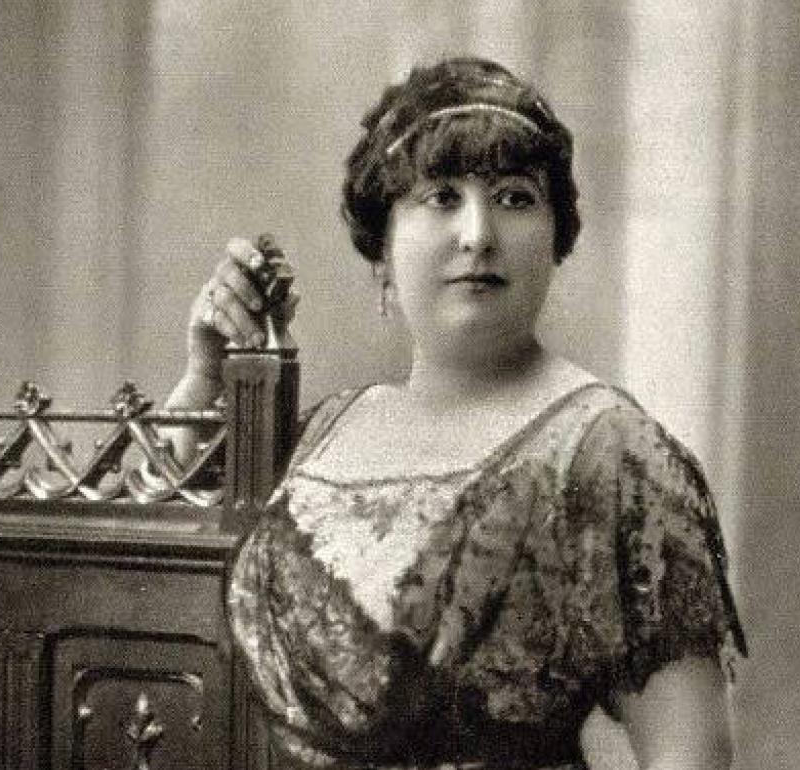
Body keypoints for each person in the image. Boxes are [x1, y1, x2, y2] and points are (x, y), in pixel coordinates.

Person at [166, 56, 746, 770]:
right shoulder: (325, 432)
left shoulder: (608, 453)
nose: (477, 234)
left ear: (556, 239)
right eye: (442, 197)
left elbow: (691, 756)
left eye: (514, 197)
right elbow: (146, 565)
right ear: (383, 249)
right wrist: (205, 375)